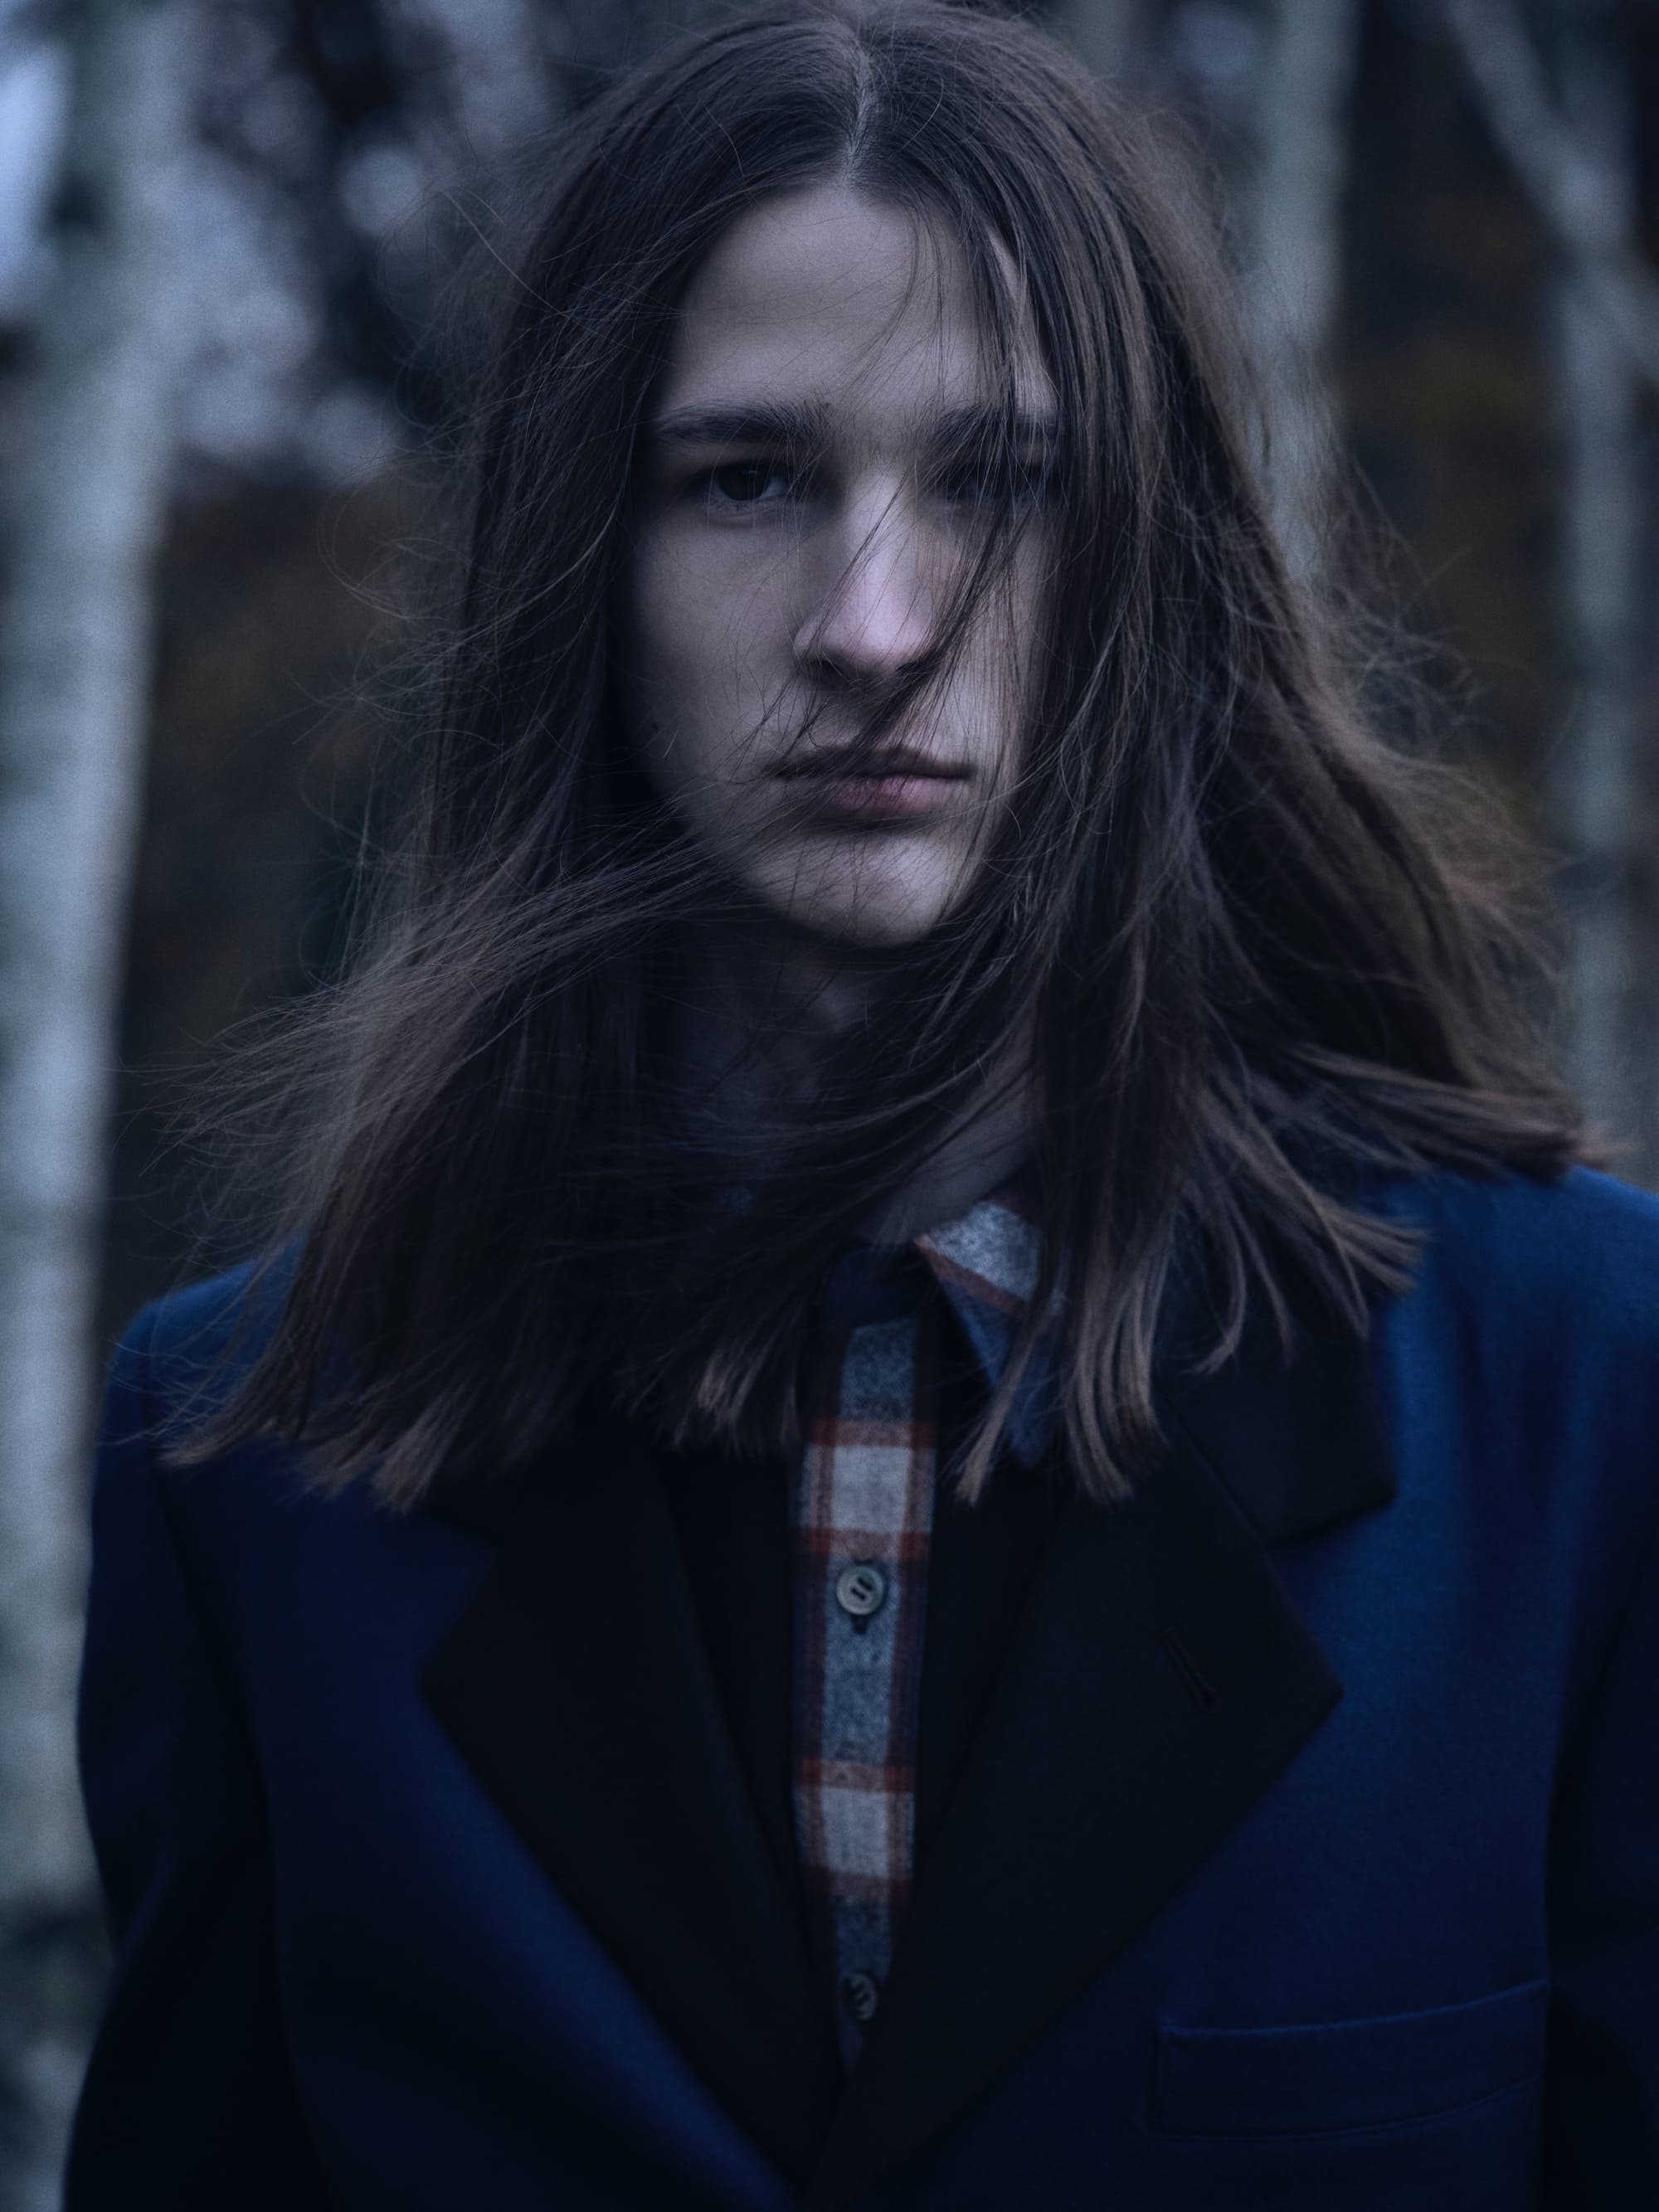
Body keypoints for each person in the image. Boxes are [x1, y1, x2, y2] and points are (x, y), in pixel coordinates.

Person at [66, 4, 1658, 2207]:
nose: (876, 623)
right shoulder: (247, 1467)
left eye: (1000, 482)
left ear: (1156, 568)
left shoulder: (1589, 1392)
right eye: (749, 478)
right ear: (581, 563)